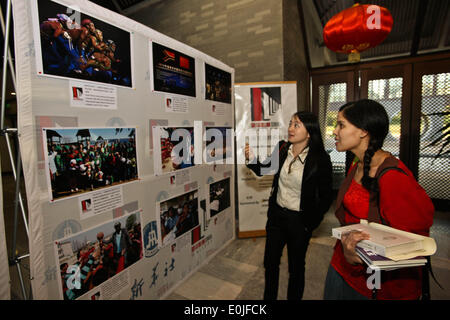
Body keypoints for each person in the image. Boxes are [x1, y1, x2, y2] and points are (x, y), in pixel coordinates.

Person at [323, 99, 434, 300]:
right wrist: (348, 251)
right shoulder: (356, 165)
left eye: (341, 125)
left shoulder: (393, 178)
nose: (334, 132)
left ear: (363, 131)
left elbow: (413, 246)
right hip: (342, 266)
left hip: (377, 284)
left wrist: (361, 255)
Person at [245, 111, 333, 300]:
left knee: (296, 267)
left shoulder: (320, 159)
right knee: (270, 263)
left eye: (297, 125)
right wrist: (252, 158)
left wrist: (310, 223)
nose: (291, 128)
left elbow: (326, 197)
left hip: (300, 221)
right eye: (291, 123)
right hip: (277, 216)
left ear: (309, 132)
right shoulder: (283, 147)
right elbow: (265, 170)